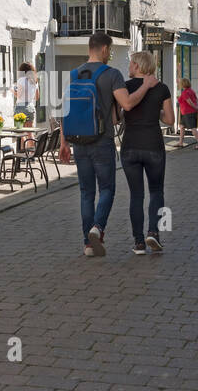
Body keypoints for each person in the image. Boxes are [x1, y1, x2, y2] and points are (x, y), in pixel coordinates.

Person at [58, 31, 157, 256]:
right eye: (110, 50)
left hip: (78, 143)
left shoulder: (73, 74)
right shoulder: (111, 74)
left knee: (85, 192)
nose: (110, 54)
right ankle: (98, 227)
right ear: (104, 49)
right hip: (102, 141)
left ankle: (88, 244)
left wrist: (63, 143)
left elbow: (64, 111)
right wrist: (146, 85)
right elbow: (128, 103)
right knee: (107, 189)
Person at [120, 51, 174, 254]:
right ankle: (154, 232)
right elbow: (170, 120)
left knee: (136, 195)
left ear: (137, 65)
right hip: (153, 146)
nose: (129, 66)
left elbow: (118, 116)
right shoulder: (162, 89)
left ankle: (138, 242)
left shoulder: (124, 87)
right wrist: (156, 111)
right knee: (156, 191)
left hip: (130, 146)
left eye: (131, 63)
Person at [14, 61, 39, 149]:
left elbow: (19, 95)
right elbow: (37, 97)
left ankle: (23, 153)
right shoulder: (34, 81)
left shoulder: (21, 80)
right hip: (31, 107)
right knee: (30, 132)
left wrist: (12, 91)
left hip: (20, 107)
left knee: (20, 132)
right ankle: (31, 154)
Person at [176, 77, 198, 149]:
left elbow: (189, 102)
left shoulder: (185, 92)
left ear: (183, 84)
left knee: (193, 128)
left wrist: (195, 107)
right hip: (187, 112)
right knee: (182, 127)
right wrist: (197, 107)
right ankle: (180, 143)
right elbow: (196, 100)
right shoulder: (191, 91)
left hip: (188, 112)